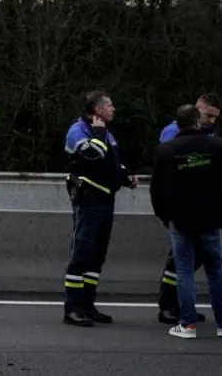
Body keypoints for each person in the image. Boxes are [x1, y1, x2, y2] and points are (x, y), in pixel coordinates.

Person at [150, 104, 222, 339]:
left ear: (177, 125)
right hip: (211, 219)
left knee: (184, 271)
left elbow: (156, 191)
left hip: (180, 220)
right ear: (198, 122)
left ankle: (187, 325)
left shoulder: (166, 150)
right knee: (216, 272)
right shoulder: (217, 147)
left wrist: (165, 217)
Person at [62, 90, 136, 327]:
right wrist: (99, 132)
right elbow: (92, 157)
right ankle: (72, 308)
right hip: (88, 199)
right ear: (98, 110)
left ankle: (87, 305)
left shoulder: (105, 133)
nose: (114, 109)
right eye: (110, 105)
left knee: (97, 255)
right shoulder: (78, 132)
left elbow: (110, 161)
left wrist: (125, 176)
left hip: (106, 199)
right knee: (82, 253)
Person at [157, 93, 222, 323]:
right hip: (181, 207)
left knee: (191, 260)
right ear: (197, 111)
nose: (212, 121)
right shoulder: (172, 133)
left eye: (215, 117)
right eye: (208, 115)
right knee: (178, 261)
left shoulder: (209, 134)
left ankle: (181, 305)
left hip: (201, 209)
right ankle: (168, 305)